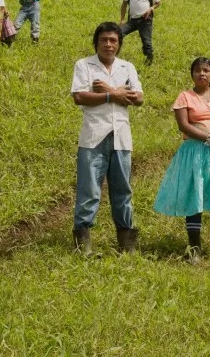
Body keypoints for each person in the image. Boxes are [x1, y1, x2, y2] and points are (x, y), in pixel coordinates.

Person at [154, 56, 210, 262]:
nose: (202, 73)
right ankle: (195, 250)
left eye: (206, 70)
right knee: (195, 196)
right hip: (196, 152)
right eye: (198, 70)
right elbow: (184, 125)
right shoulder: (185, 97)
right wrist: (209, 139)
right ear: (192, 74)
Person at [71, 21, 143, 255]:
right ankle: (83, 244)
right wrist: (116, 95)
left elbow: (138, 97)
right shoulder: (84, 65)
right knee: (89, 189)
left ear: (119, 44)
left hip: (121, 136)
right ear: (96, 42)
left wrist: (107, 90)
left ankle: (126, 242)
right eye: (104, 40)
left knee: (123, 189)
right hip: (94, 136)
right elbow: (80, 97)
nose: (108, 44)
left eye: (113, 40)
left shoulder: (127, 67)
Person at [120, 0, 160, 65]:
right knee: (118, 33)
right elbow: (124, 4)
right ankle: (113, 55)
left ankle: (149, 61)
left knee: (147, 43)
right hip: (132, 20)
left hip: (145, 20)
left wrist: (150, 9)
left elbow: (158, 2)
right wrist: (122, 19)